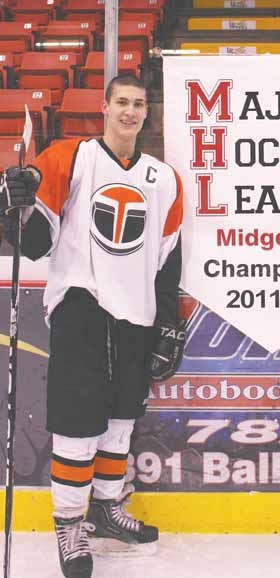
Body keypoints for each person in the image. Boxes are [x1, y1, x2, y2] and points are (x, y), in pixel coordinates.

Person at [0, 74, 185, 578]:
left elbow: (168, 259)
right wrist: (11, 206)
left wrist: (168, 323)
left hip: (138, 312)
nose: (129, 111)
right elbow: (35, 240)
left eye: (138, 104)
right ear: (104, 107)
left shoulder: (165, 178)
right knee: (78, 424)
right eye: (121, 102)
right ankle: (69, 522)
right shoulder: (71, 157)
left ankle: (106, 508)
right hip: (81, 307)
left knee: (121, 419)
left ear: (148, 113)